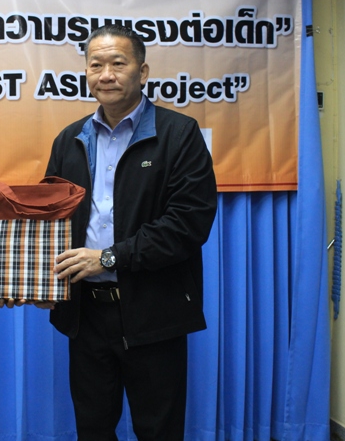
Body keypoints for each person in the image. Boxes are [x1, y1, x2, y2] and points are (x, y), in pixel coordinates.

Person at [43, 25, 218, 440]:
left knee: (158, 431)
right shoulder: (69, 140)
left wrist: (108, 257)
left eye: (118, 63)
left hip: (154, 311)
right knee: (92, 430)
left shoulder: (179, 134)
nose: (106, 75)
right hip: (86, 316)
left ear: (143, 72)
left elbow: (188, 224)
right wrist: (32, 280)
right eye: (96, 65)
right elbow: (50, 222)